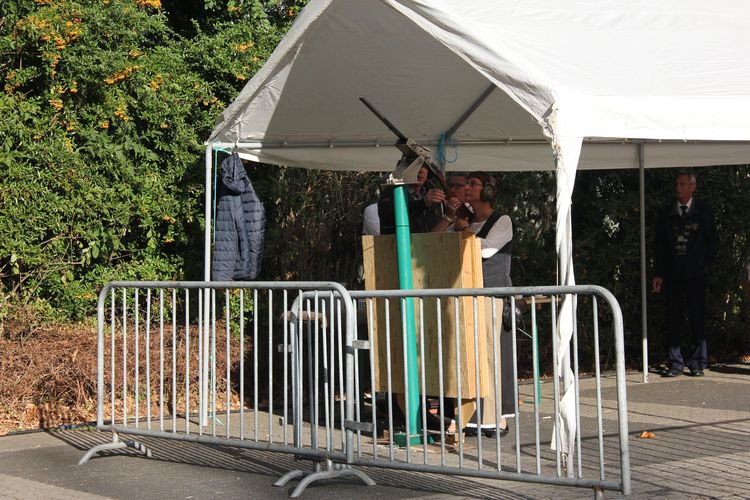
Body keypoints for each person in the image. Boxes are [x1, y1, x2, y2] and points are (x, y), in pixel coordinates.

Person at [452, 171, 514, 437]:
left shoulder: (502, 220)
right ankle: (471, 415)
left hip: (491, 296)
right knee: (469, 356)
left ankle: (495, 416)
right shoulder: (465, 221)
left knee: (491, 356)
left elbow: (487, 249)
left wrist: (464, 231)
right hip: (467, 296)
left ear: (488, 190)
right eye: (466, 183)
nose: (467, 187)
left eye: (473, 183)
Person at [652, 170, 718, 377]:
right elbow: (660, 246)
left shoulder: (703, 210)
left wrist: (705, 266)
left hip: (695, 274)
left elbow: (712, 241)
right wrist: (659, 273)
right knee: (673, 318)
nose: (678, 188)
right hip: (673, 274)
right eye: (677, 184)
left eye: (682, 184)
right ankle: (675, 362)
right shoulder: (667, 213)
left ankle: (698, 362)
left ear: (692, 187)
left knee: (697, 317)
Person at [378, 165, 447, 234]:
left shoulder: (432, 191)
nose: (421, 171)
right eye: (417, 165)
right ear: (404, 169)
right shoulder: (393, 192)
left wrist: (448, 213)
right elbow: (388, 217)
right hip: (400, 240)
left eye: (425, 167)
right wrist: (422, 203)